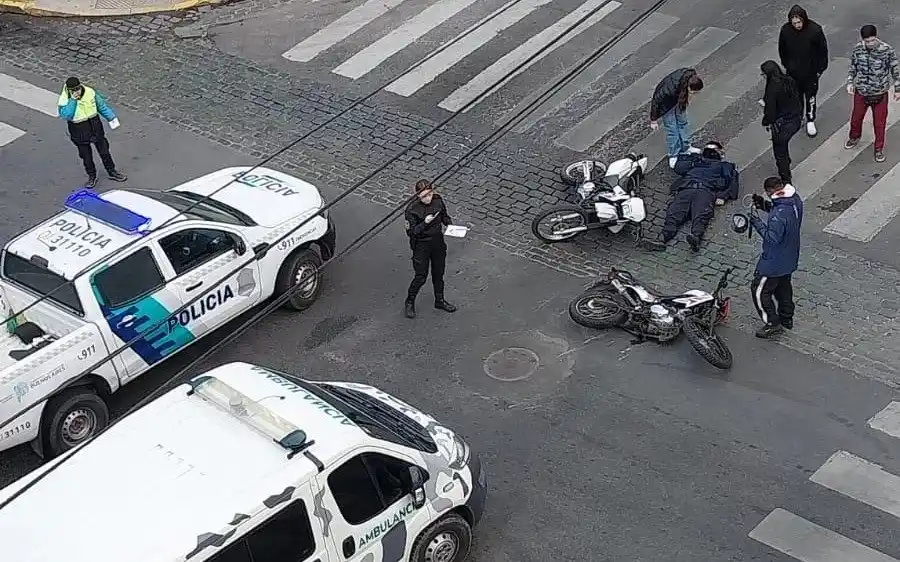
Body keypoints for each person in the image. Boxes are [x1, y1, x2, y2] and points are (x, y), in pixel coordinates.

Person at [650, 140, 739, 253]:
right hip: (690, 189)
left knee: (700, 215)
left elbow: (733, 186)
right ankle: (662, 239)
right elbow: (678, 167)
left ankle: (695, 238)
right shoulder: (695, 159)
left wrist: (722, 196)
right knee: (675, 212)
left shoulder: (725, 166)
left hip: (703, 191)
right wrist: (694, 160)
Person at [748, 177, 803, 339]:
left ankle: (772, 323)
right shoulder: (795, 200)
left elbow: (772, 238)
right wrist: (764, 205)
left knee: (759, 290)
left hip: (774, 260)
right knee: (783, 286)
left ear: (770, 191)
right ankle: (787, 317)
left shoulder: (778, 215)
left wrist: (756, 222)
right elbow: (782, 213)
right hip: (790, 255)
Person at [57, 77, 127, 188]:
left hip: (95, 126)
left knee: (104, 151)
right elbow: (66, 115)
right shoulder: (64, 100)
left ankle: (112, 171)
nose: (77, 91)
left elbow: (101, 106)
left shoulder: (90, 92)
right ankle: (92, 176)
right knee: (86, 156)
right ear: (69, 90)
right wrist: (73, 100)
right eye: (73, 90)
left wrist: (111, 117)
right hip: (78, 130)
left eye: (78, 88)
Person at [845, 25, 900, 163]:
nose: (870, 44)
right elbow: (853, 67)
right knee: (856, 118)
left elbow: (896, 71)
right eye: (867, 41)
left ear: (877, 37)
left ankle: (878, 149)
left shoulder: (887, 50)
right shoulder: (858, 49)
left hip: (880, 94)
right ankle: (854, 136)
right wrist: (850, 82)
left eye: (873, 40)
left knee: (879, 124)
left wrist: (898, 89)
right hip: (862, 92)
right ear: (862, 40)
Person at [404, 179, 457, 319]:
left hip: (437, 243)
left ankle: (439, 300)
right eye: (423, 196)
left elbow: (444, 216)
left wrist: (450, 226)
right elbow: (412, 232)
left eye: (429, 194)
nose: (427, 198)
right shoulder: (412, 210)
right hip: (421, 245)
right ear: (417, 195)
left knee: (438, 274)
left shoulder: (438, 201)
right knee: (421, 276)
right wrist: (425, 223)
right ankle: (409, 301)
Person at [778, 5, 829, 137]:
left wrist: (820, 69)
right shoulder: (785, 31)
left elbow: (822, 51)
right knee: (796, 96)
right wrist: (787, 65)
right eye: (794, 23)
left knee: (810, 97)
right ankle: (799, 116)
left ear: (804, 19)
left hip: (811, 73)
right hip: (794, 73)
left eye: (799, 22)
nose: (797, 25)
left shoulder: (815, 30)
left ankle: (810, 119)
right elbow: (782, 50)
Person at [649, 68, 705, 169]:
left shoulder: (690, 77)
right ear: (688, 87)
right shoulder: (669, 89)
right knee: (672, 130)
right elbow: (656, 101)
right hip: (666, 106)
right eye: (693, 92)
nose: (694, 94)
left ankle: (685, 148)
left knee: (682, 123)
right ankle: (673, 154)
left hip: (678, 100)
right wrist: (653, 119)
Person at [760, 61, 803, 183]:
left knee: (780, 152)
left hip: (782, 125)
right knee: (783, 146)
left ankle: (786, 178)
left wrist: (765, 121)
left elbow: (771, 112)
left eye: (763, 74)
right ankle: (786, 164)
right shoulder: (789, 80)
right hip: (795, 119)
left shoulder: (771, 90)